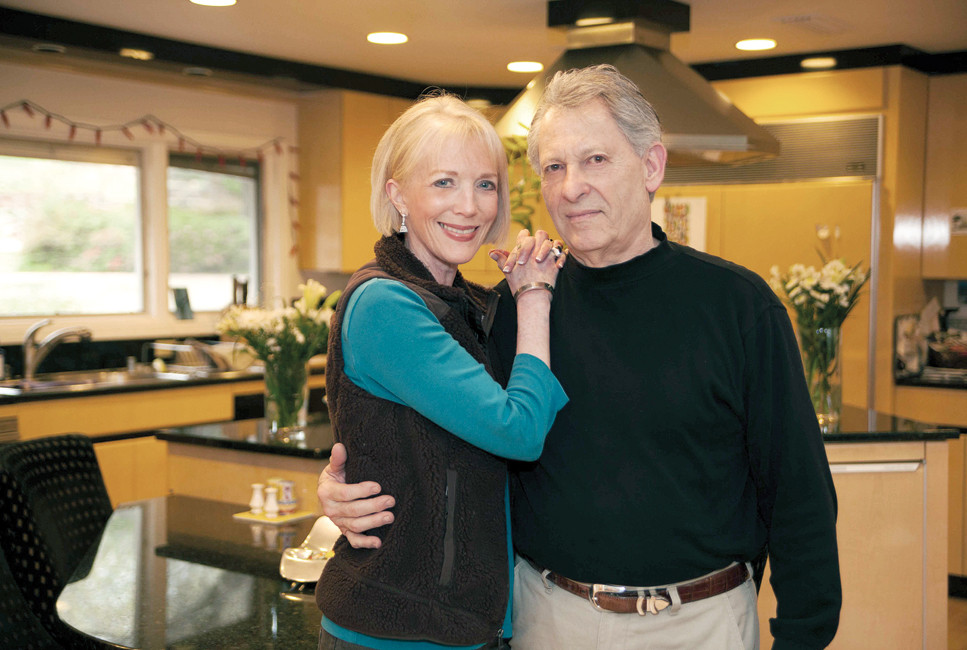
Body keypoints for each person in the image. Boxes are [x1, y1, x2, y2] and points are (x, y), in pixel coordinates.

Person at [318, 65, 841, 650]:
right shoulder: (515, 309)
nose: (571, 188)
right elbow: (442, 439)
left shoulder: (738, 307)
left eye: (595, 160)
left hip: (699, 623)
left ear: (651, 167)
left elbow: (797, 491)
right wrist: (344, 483)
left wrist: (803, 636)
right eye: (554, 167)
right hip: (546, 619)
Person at [314, 92, 569, 650]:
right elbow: (519, 431)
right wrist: (534, 299)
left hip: (458, 623)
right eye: (444, 182)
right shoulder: (386, 306)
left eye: (485, 184)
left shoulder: (462, 303)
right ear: (397, 194)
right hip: (396, 629)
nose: (470, 206)